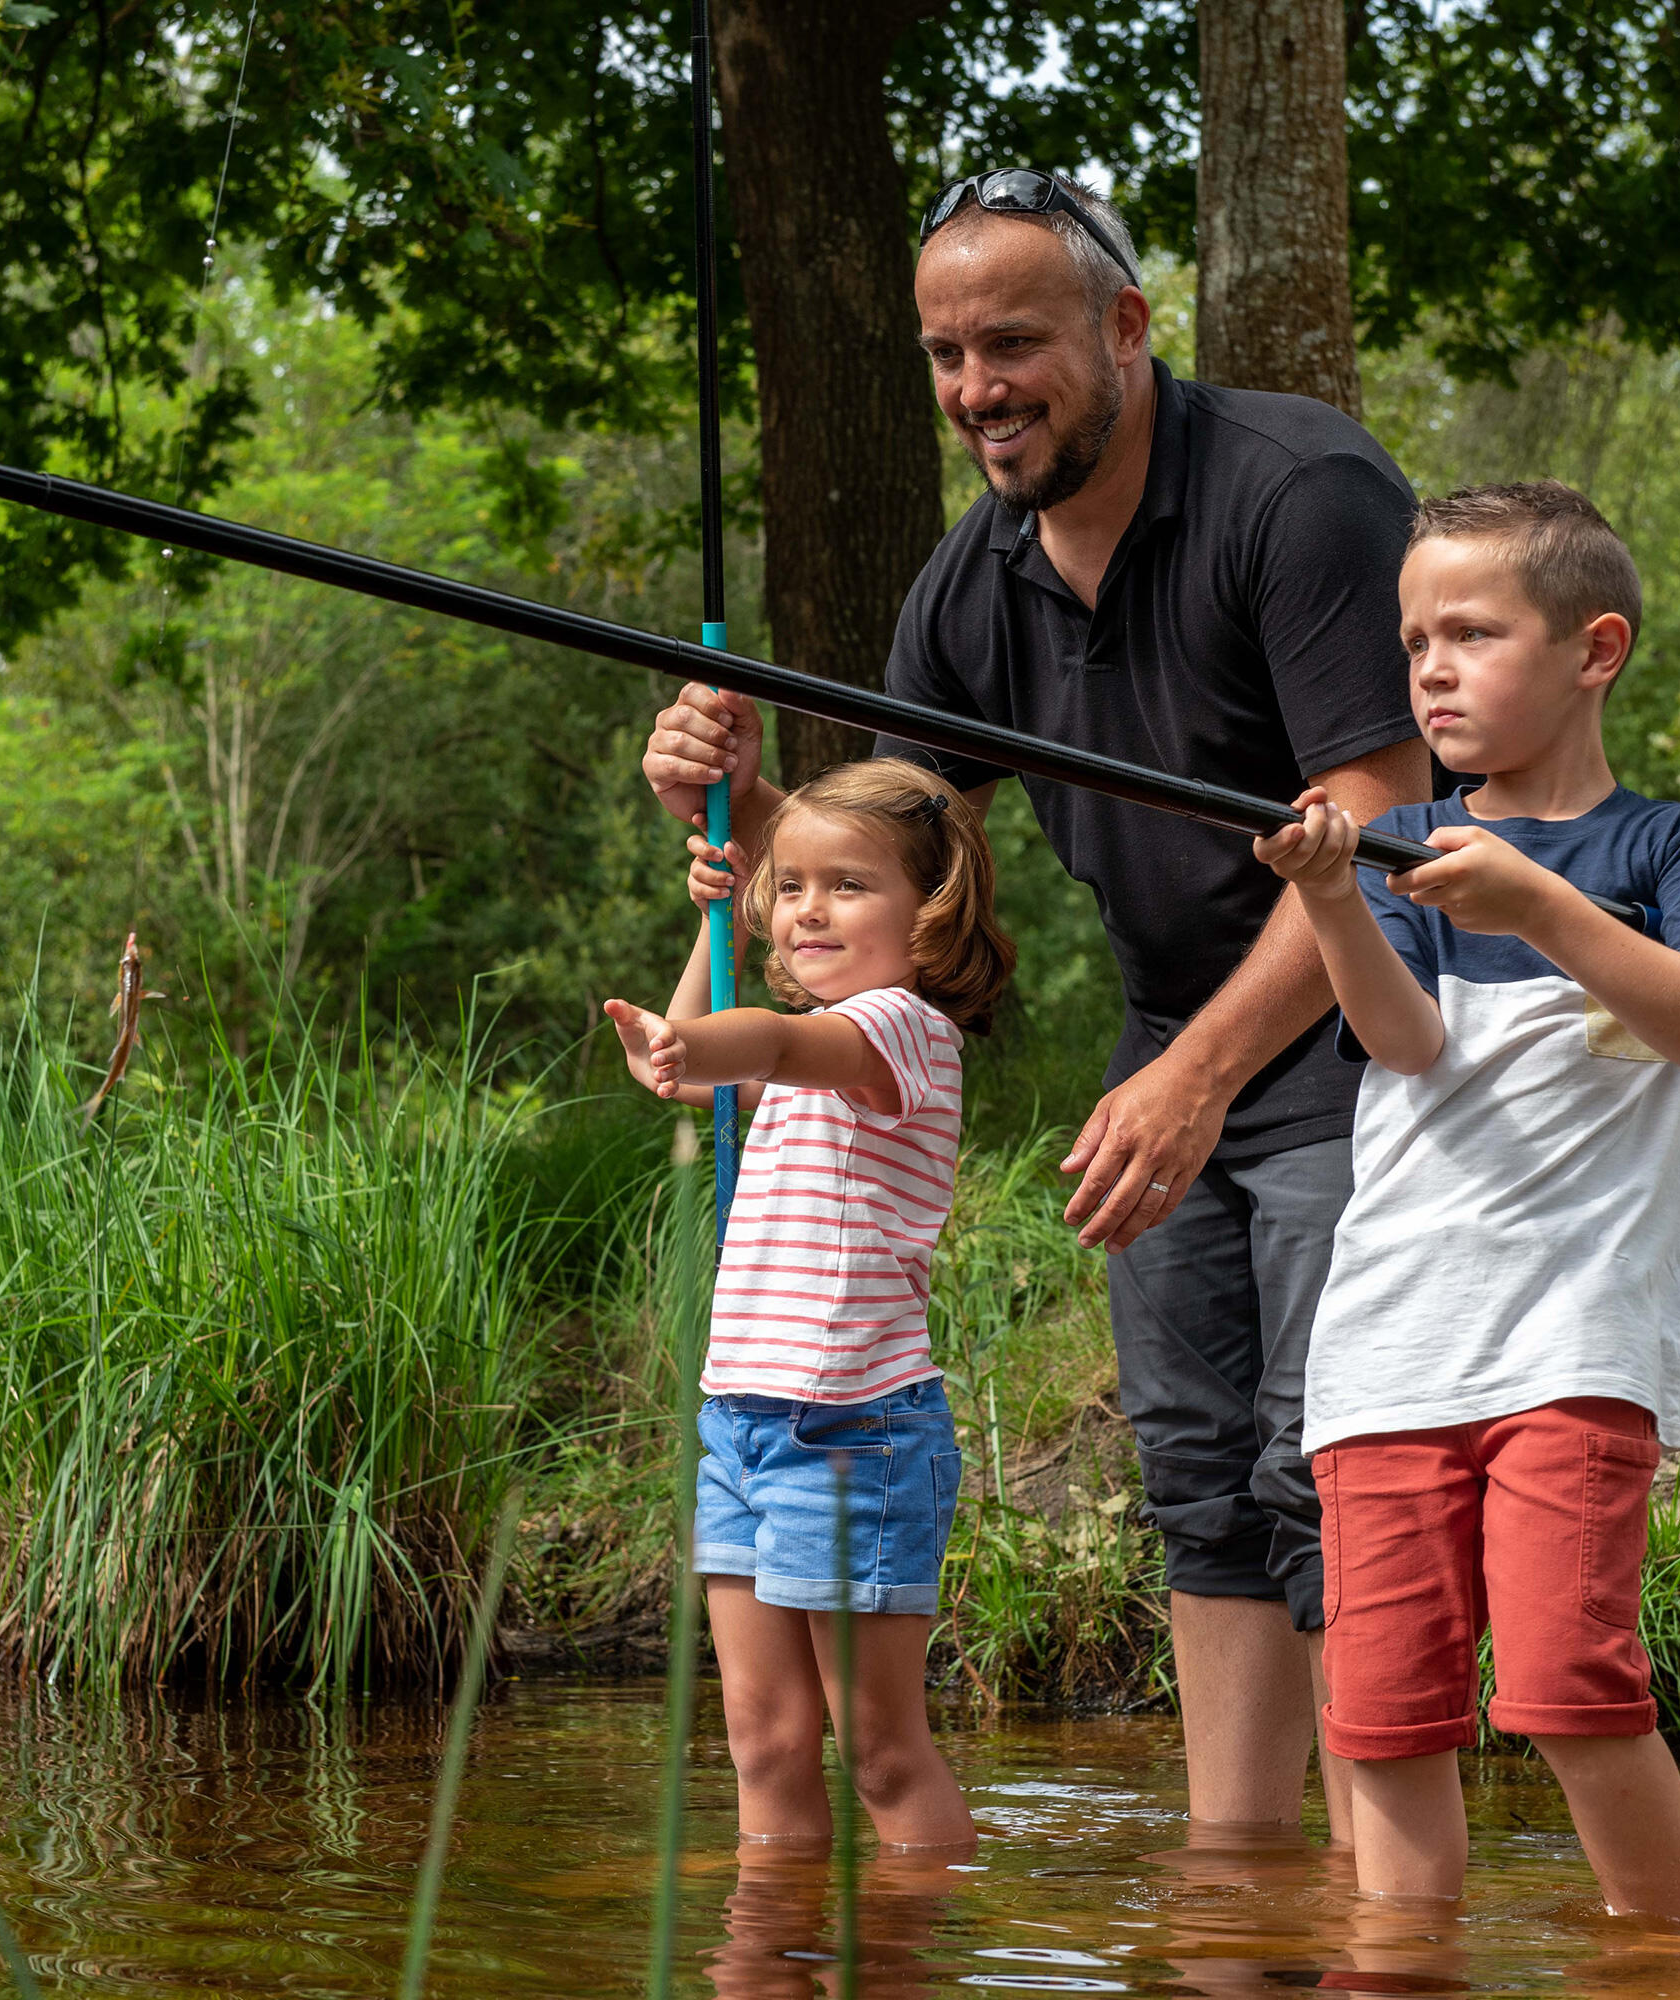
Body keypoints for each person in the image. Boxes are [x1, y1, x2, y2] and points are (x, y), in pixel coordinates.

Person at [643, 170, 1429, 1829]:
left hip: (1362, 1032)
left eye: (1013, 340)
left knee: (1329, 1469)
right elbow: (870, 868)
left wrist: (1200, 1075)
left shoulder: (1300, 497)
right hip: (1175, 1036)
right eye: (946, 353)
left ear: (1124, 328)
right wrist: (730, 800)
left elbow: (1380, 810)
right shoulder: (972, 582)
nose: (977, 388)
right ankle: (1237, 1883)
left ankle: (1385, 1913)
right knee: (1200, 1477)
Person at [1253, 480, 1680, 1930]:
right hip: (1388, 1356)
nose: (1427, 667)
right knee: (1384, 1720)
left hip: (1576, 1349)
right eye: (1414, 638)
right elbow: (1407, 1044)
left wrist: (1544, 905)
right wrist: (1339, 898)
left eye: (1471, 633)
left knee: (1568, 1690)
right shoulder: (1410, 841)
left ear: (1593, 649)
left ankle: (1652, 1958)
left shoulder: (1675, 850)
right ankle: (1397, 1962)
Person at [601, 758, 1017, 1849]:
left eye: (846, 884)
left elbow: (765, 1044)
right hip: (738, 1421)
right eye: (788, 887)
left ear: (925, 913)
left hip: (854, 1432)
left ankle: (902, 1951)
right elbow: (680, 1071)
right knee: (763, 1739)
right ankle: (767, 1955)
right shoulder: (793, 1049)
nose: (809, 908)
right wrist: (715, 924)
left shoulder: (899, 1033)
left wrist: (695, 1037)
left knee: (879, 1750)